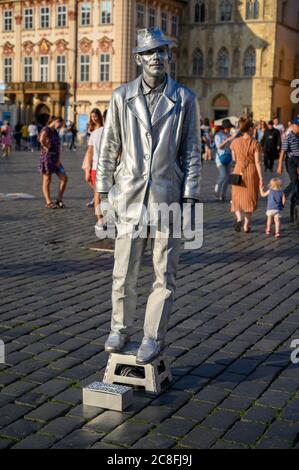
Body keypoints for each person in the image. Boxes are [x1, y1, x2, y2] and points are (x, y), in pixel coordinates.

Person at [96, 26, 201, 364]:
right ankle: (120, 327)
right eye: (150, 52)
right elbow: (109, 146)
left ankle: (153, 337)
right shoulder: (120, 96)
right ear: (138, 58)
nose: (157, 57)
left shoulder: (184, 98)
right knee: (123, 269)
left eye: (162, 51)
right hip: (127, 195)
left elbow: (193, 152)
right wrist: (101, 192)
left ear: (169, 55)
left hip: (167, 195)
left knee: (163, 273)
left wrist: (191, 199)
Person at [230, 119, 264, 233]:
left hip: (237, 170)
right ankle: (246, 226)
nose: (254, 130)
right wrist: (261, 179)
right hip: (251, 172)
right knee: (250, 199)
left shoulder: (235, 142)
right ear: (250, 129)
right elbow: (258, 162)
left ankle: (239, 218)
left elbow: (233, 158)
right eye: (253, 128)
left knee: (236, 198)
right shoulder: (255, 143)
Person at [38, 116, 68, 209]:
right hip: (47, 158)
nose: (60, 126)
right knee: (47, 180)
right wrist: (46, 146)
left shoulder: (55, 131)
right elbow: (41, 139)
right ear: (56, 121)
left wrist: (58, 159)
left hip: (56, 159)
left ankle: (59, 199)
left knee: (64, 178)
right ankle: (48, 201)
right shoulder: (46, 129)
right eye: (60, 124)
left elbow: (58, 146)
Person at [82, 108, 104, 215]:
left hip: (98, 161)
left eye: (95, 116)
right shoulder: (92, 130)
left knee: (98, 189)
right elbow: (90, 150)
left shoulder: (103, 130)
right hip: (92, 159)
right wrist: (88, 165)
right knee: (88, 179)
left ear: (99, 116)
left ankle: (99, 208)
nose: (93, 119)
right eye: (91, 117)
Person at [277, 117, 299, 223]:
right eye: (298, 126)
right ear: (293, 126)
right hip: (290, 162)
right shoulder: (288, 137)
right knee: (295, 183)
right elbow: (283, 152)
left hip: (298, 161)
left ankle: (285, 193)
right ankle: (293, 210)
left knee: (296, 183)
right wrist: (280, 165)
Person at [214, 119, 236, 201]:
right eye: (229, 127)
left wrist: (232, 140)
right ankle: (216, 192)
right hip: (220, 158)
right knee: (223, 175)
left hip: (228, 157)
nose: (230, 129)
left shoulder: (229, 134)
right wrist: (228, 140)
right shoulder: (218, 135)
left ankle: (223, 195)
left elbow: (232, 146)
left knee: (227, 178)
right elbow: (219, 147)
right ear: (225, 128)